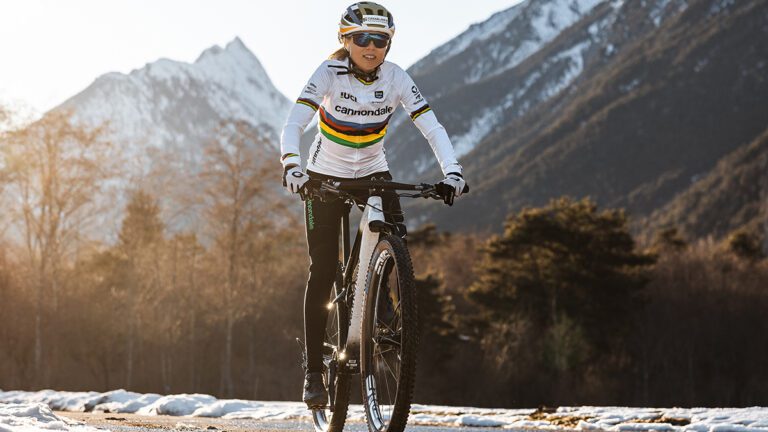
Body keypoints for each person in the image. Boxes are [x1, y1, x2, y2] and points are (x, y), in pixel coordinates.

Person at [279, 1, 467, 408]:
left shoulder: (397, 78)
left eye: (380, 40)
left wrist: (452, 171)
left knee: (395, 236)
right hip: (324, 175)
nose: (371, 47)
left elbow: (431, 126)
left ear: (388, 44)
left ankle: (380, 293)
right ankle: (314, 373)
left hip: (373, 171)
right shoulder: (328, 73)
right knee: (322, 268)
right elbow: (294, 123)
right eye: (362, 38)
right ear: (345, 40)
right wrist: (292, 165)